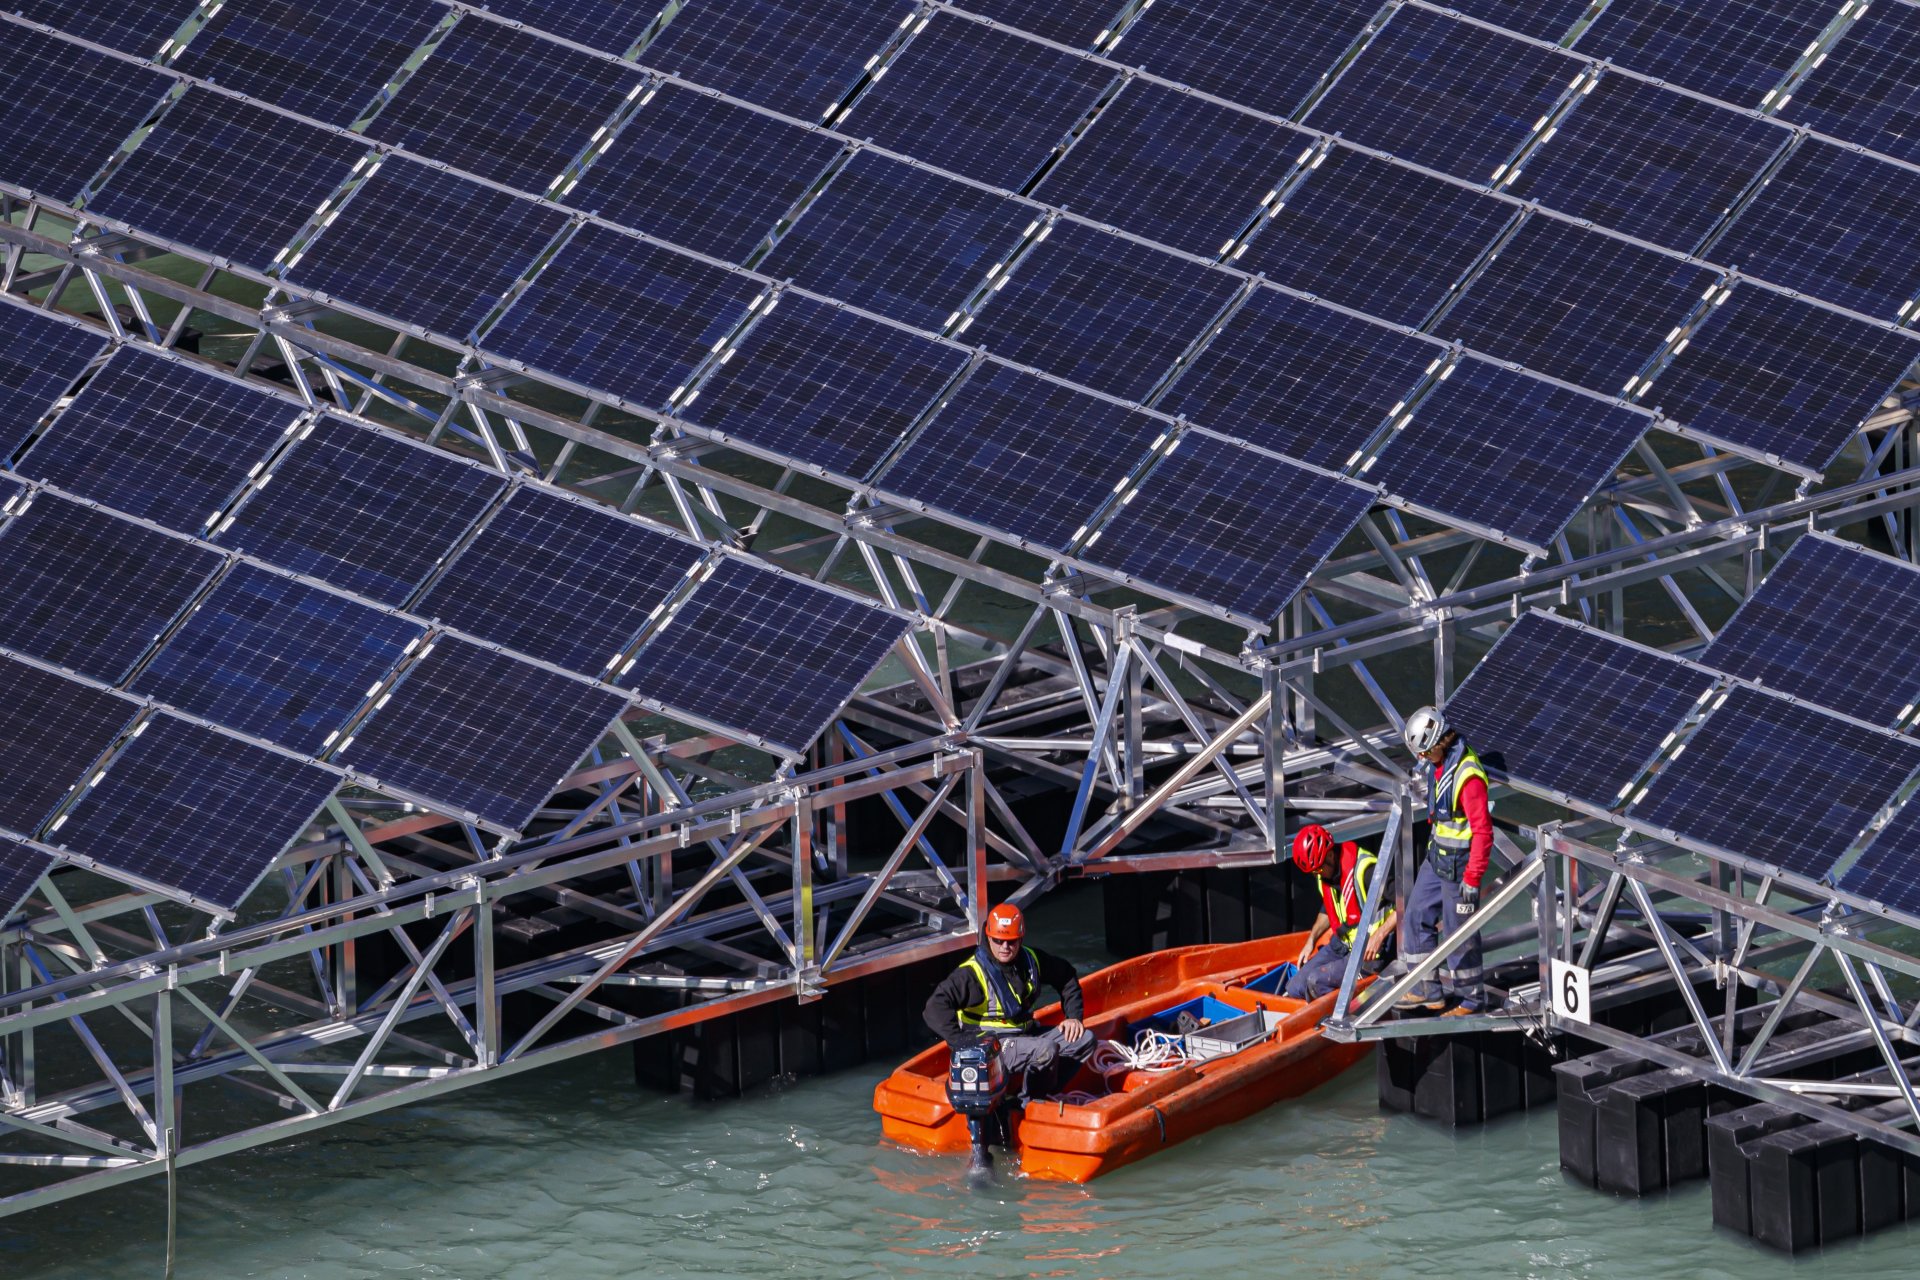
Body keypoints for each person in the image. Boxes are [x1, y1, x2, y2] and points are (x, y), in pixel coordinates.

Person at [924, 903, 1096, 1097]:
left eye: (1011, 942)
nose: (1005, 947)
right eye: (998, 941)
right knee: (1045, 1050)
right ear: (988, 937)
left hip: (1027, 1034)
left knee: (1084, 1039)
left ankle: (1041, 1090)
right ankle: (1027, 1105)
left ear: (1020, 939)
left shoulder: (1032, 960)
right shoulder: (971, 974)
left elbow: (1066, 976)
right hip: (994, 1046)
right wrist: (962, 1043)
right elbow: (934, 1008)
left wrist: (1073, 1016)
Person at [1399, 705, 1492, 1015]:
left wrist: (1472, 878)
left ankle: (1472, 999)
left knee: (1459, 932)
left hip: (1460, 868)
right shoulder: (1437, 765)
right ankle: (1426, 989)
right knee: (1415, 915)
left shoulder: (1468, 776)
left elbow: (1482, 833)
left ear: (1440, 741)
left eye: (1425, 752)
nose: (1422, 758)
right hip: (1436, 858)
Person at [1283, 824, 1395, 1002]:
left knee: (1316, 982)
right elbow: (1329, 908)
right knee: (1295, 987)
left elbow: (1407, 902)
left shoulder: (1366, 871)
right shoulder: (1325, 875)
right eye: (1312, 872)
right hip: (1343, 944)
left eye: (1318, 869)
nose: (1317, 875)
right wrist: (1311, 940)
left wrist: (1379, 936)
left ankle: (1337, 1020)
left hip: (1371, 952)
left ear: (1330, 855)